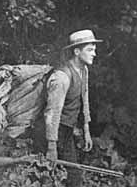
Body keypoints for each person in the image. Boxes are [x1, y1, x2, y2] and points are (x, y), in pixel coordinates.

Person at [43, 29, 102, 186]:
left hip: (66, 131)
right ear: (77, 51)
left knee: (74, 176)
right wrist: (51, 147)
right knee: (44, 175)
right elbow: (52, 114)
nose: (94, 54)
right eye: (89, 50)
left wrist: (86, 130)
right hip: (50, 133)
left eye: (94, 50)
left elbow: (84, 99)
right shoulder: (62, 77)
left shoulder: (84, 70)